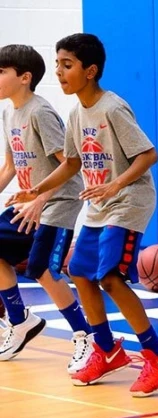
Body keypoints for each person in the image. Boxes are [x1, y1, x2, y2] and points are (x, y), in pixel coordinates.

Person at [8, 33, 158, 397]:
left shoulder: (112, 108)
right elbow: (72, 163)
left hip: (129, 200)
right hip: (100, 202)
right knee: (80, 272)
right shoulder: (74, 113)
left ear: (90, 71)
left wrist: (115, 185)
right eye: (57, 64)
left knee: (110, 278)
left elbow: (149, 155)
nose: (58, 71)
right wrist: (36, 190)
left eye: (66, 65)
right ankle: (106, 348)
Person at [0, 44, 92, 373]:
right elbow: (10, 167)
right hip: (29, 203)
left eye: (1, 72)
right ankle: (20, 320)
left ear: (24, 78)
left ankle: (87, 336)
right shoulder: (9, 112)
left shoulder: (40, 113)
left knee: (42, 269)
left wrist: (40, 198)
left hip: (57, 204)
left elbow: (71, 166)